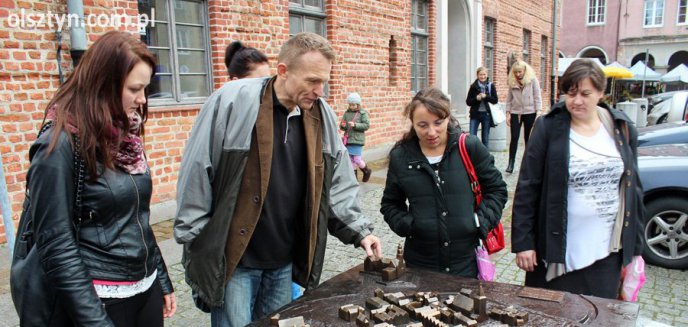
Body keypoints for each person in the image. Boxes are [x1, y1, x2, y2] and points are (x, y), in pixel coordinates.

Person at [174, 32, 383, 327]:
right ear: (283, 71)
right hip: (235, 261)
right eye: (312, 81)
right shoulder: (233, 101)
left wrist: (361, 231)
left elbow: (337, 183)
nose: (320, 91)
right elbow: (197, 169)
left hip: (283, 261)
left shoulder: (320, 116)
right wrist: (199, 241)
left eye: (324, 81)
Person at [10, 31, 176, 326]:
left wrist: (161, 278)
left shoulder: (126, 134)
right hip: (98, 299)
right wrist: (94, 320)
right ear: (104, 83)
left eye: (145, 88)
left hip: (144, 288)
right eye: (134, 88)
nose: (141, 100)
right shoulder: (59, 144)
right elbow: (56, 244)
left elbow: (137, 215)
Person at [511, 59, 645, 299]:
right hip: (556, 250)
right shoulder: (548, 127)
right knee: (548, 315)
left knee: (598, 317)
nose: (577, 101)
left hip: (606, 251)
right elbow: (527, 186)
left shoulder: (622, 128)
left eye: (585, 93)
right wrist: (523, 242)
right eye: (570, 93)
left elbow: (634, 190)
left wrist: (634, 248)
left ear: (601, 92)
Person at [380, 87, 507, 278]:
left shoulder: (470, 147)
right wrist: (410, 225)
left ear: (448, 118)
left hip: (465, 261)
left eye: (438, 123)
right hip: (420, 262)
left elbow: (497, 189)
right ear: (412, 123)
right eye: (422, 125)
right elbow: (390, 204)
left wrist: (479, 221)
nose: (431, 132)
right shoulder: (401, 157)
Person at [505, 60, 542, 173]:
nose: (518, 74)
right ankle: (511, 164)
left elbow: (537, 96)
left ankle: (527, 164)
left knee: (528, 139)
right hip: (516, 112)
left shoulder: (532, 80)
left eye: (520, 72)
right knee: (514, 138)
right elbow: (509, 99)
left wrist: (538, 111)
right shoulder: (512, 82)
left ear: (525, 71)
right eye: (516, 72)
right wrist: (507, 113)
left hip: (530, 112)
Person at [340, 92, 373, 182]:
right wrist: (343, 125)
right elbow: (342, 125)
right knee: (350, 160)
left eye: (353, 105)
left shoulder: (362, 113)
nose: (351, 107)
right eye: (350, 105)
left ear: (358, 104)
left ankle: (367, 171)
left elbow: (366, 125)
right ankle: (354, 181)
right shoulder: (346, 113)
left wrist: (355, 125)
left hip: (357, 140)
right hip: (348, 140)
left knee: (357, 160)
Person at [465, 67, 499, 147]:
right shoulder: (473, 87)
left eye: (484, 74)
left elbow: (495, 100)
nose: (482, 76)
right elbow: (468, 102)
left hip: (486, 115)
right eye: (480, 74)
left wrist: (486, 96)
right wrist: (476, 98)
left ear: (487, 75)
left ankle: (485, 157)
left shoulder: (491, 86)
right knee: (472, 137)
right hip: (475, 115)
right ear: (477, 75)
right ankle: (473, 156)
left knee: (485, 138)